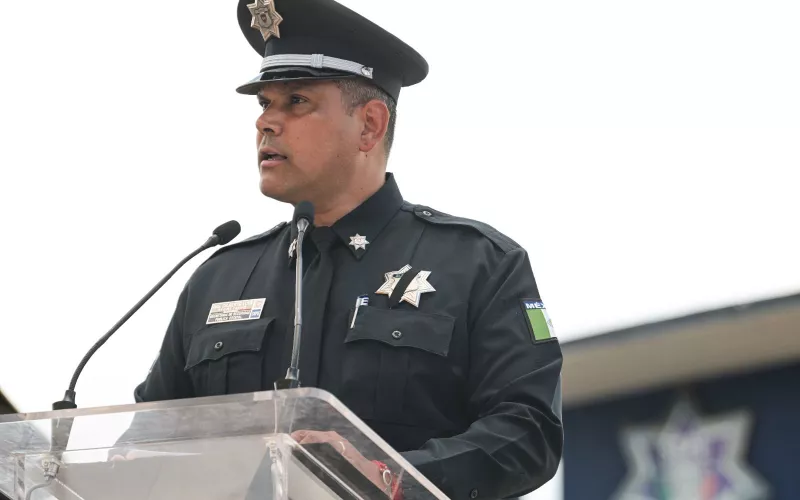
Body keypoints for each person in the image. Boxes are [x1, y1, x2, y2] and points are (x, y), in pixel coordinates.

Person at [129, 0, 564, 498]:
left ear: (370, 125)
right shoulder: (218, 278)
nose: (266, 122)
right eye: (264, 103)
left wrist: (392, 477)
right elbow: (146, 441)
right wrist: (122, 462)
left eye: (296, 102)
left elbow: (528, 432)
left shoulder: (478, 264)